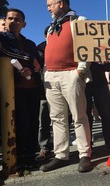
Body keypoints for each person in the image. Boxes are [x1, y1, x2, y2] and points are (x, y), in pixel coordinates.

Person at [39, 0, 92, 173]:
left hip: (71, 73)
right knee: (57, 118)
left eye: (50, 4)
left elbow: (88, 45)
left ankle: (85, 154)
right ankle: (61, 155)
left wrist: (80, 70)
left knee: (79, 115)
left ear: (60, 4)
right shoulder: (51, 27)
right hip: (51, 76)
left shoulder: (79, 20)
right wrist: (46, 72)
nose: (48, 8)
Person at [4, 8, 42, 169]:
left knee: (33, 122)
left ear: (24, 24)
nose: (13, 21)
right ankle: (17, 157)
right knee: (22, 122)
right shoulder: (2, 39)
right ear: (5, 21)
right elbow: (5, 52)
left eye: (17, 19)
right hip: (14, 89)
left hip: (32, 88)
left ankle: (31, 156)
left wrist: (30, 69)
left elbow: (38, 65)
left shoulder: (30, 43)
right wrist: (28, 58)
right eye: (10, 18)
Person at [35, 26, 54, 161]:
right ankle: (44, 148)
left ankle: (60, 147)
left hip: (62, 87)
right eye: (48, 33)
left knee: (64, 119)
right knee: (43, 120)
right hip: (44, 89)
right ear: (44, 35)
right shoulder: (39, 49)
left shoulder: (65, 46)